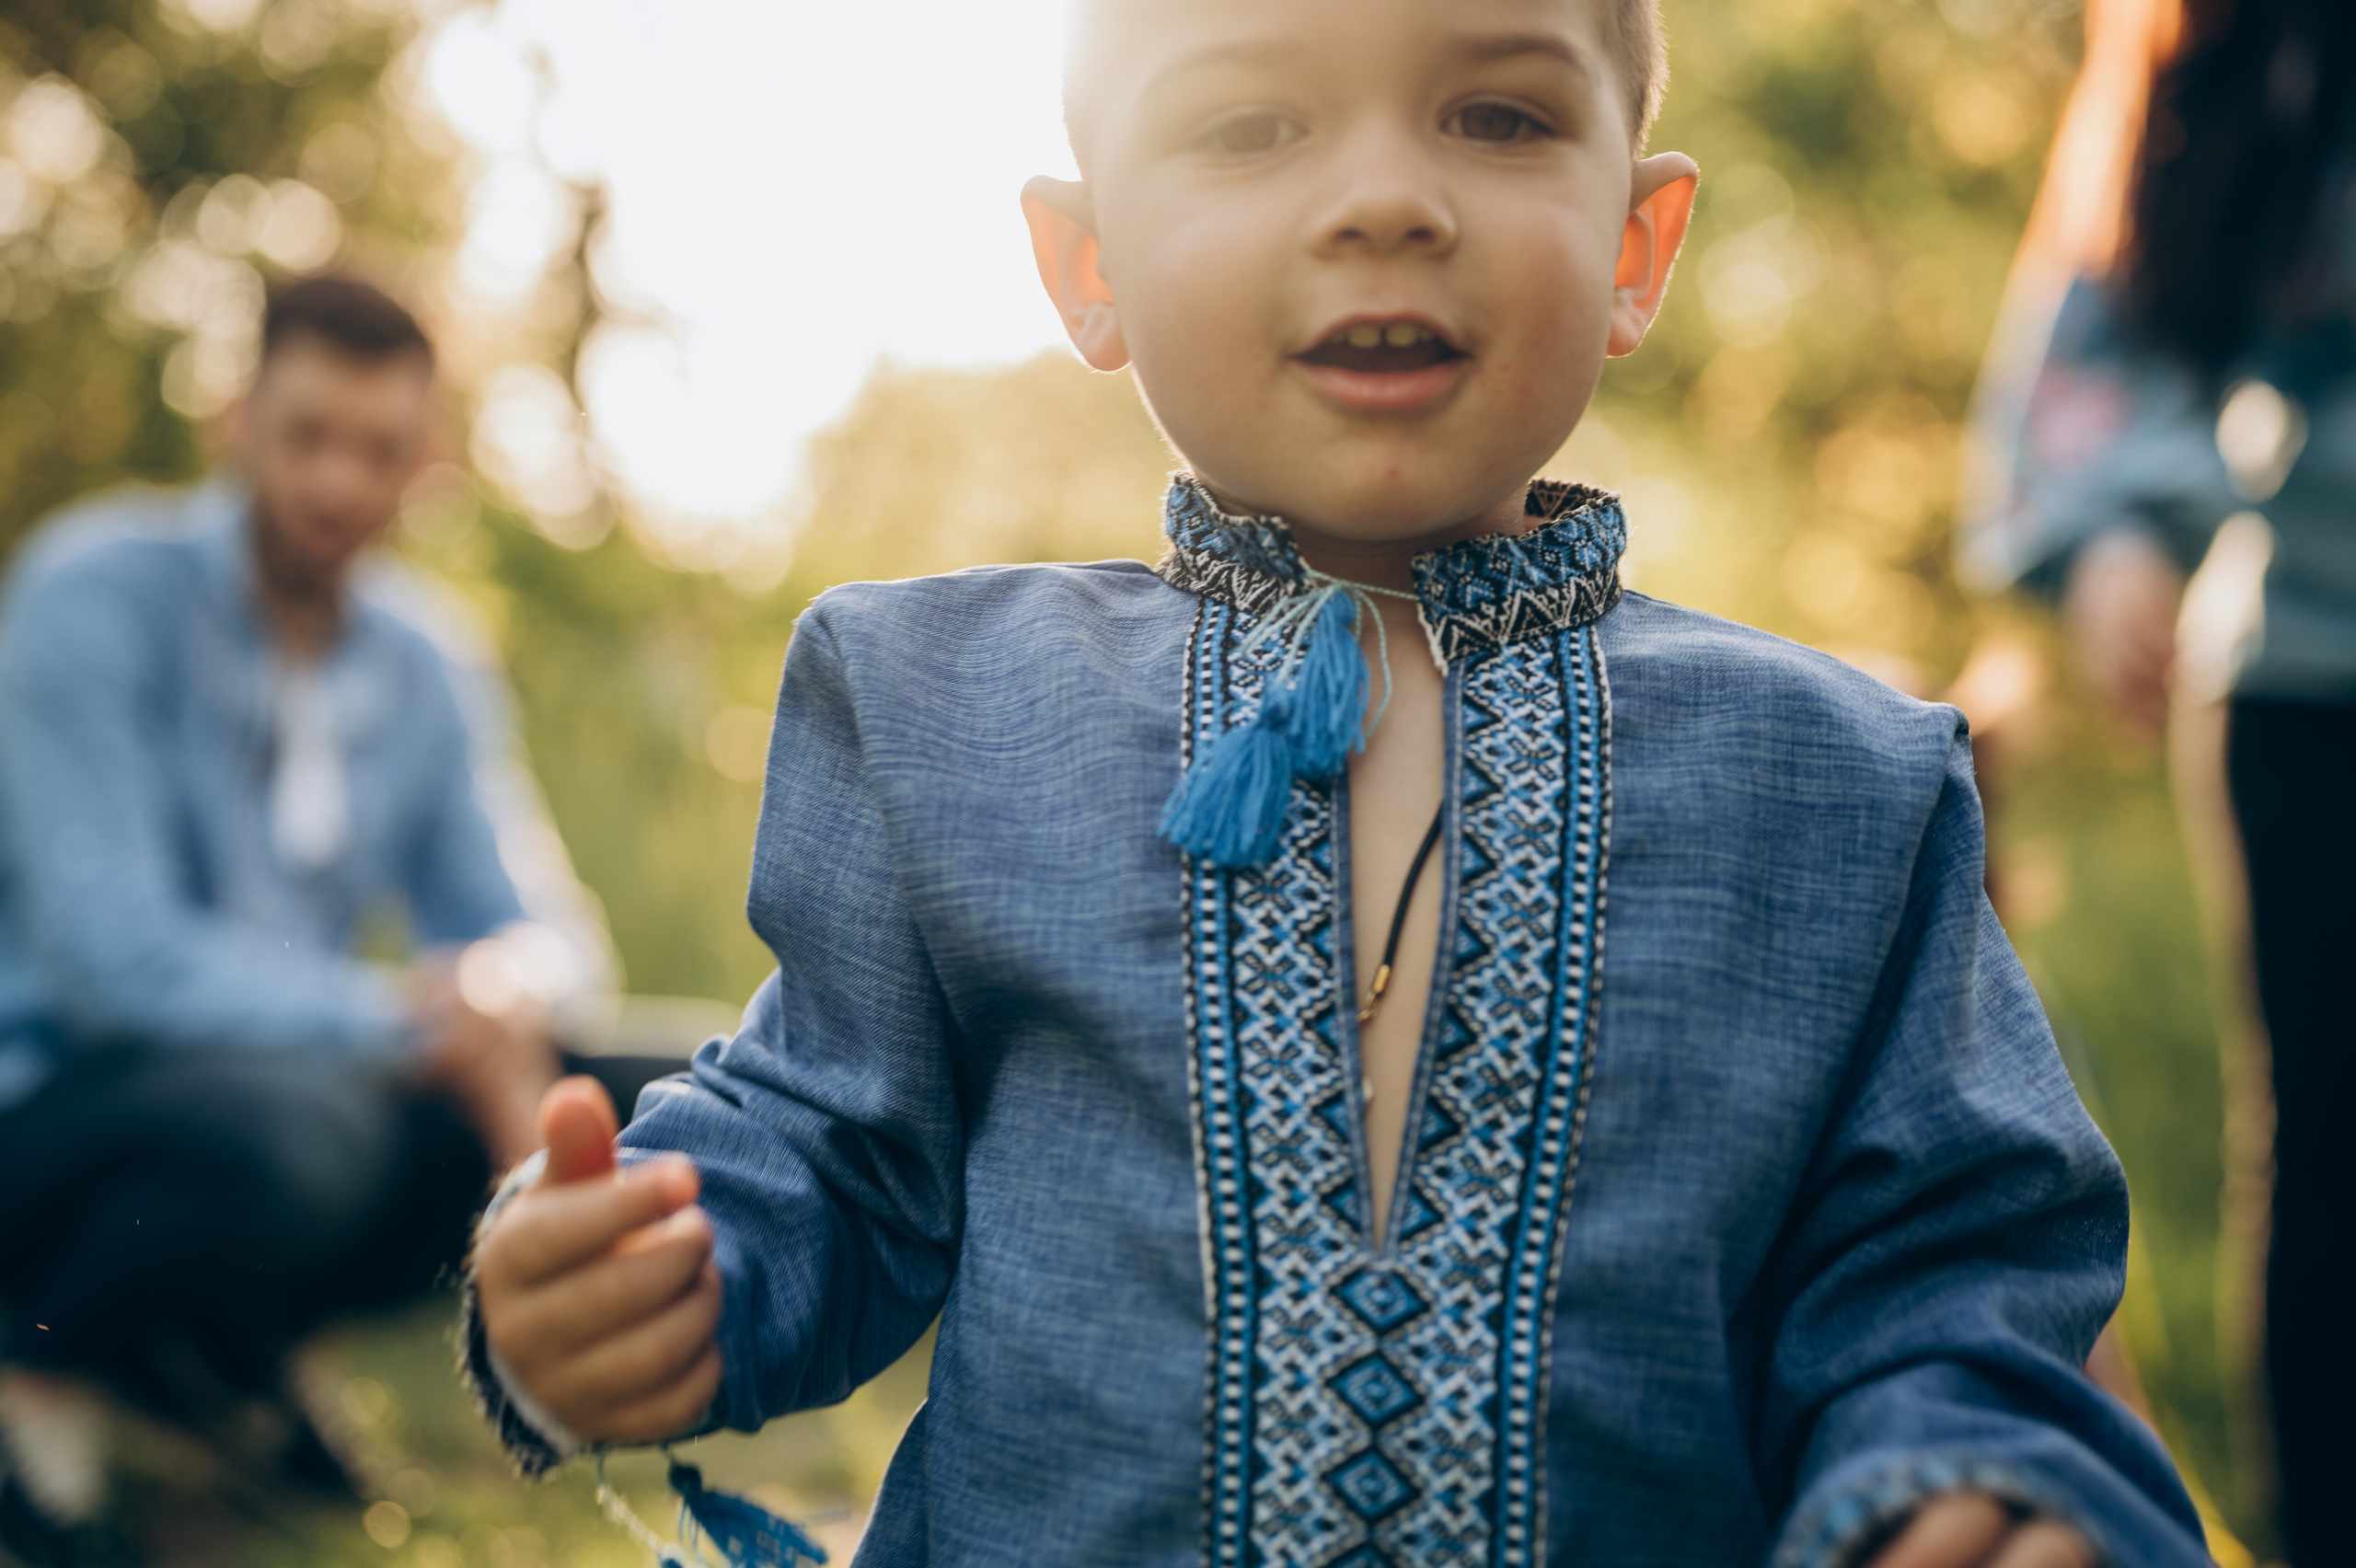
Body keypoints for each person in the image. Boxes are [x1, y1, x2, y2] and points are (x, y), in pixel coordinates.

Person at [466, 2, 2210, 1562]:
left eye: (1500, 117)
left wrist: (1973, 1474)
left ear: (1635, 243)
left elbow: (1949, 1273)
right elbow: (831, 1153)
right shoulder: (941, 708)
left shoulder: (1843, 783)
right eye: (1249, 125)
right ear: (1088, 266)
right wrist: (654, 1270)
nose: (1387, 199)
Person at [0, 276, 607, 1547]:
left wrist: (500, 988)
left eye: (378, 450)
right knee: (307, 1131)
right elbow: (116, 962)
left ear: (422, 465)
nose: (338, 483)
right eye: (309, 437)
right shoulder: (91, 595)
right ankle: (37, 1372)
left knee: (657, 1084)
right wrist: (408, 1012)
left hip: (289, 1082)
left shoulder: (426, 658)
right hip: (61, 1100)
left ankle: (227, 1361)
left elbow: (545, 927)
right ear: (239, 422)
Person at [1961, 1, 2356, 1559]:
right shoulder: (2249, 38)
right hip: (2321, 682)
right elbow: (2109, 307)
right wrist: (2119, 526)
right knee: (2333, 1153)